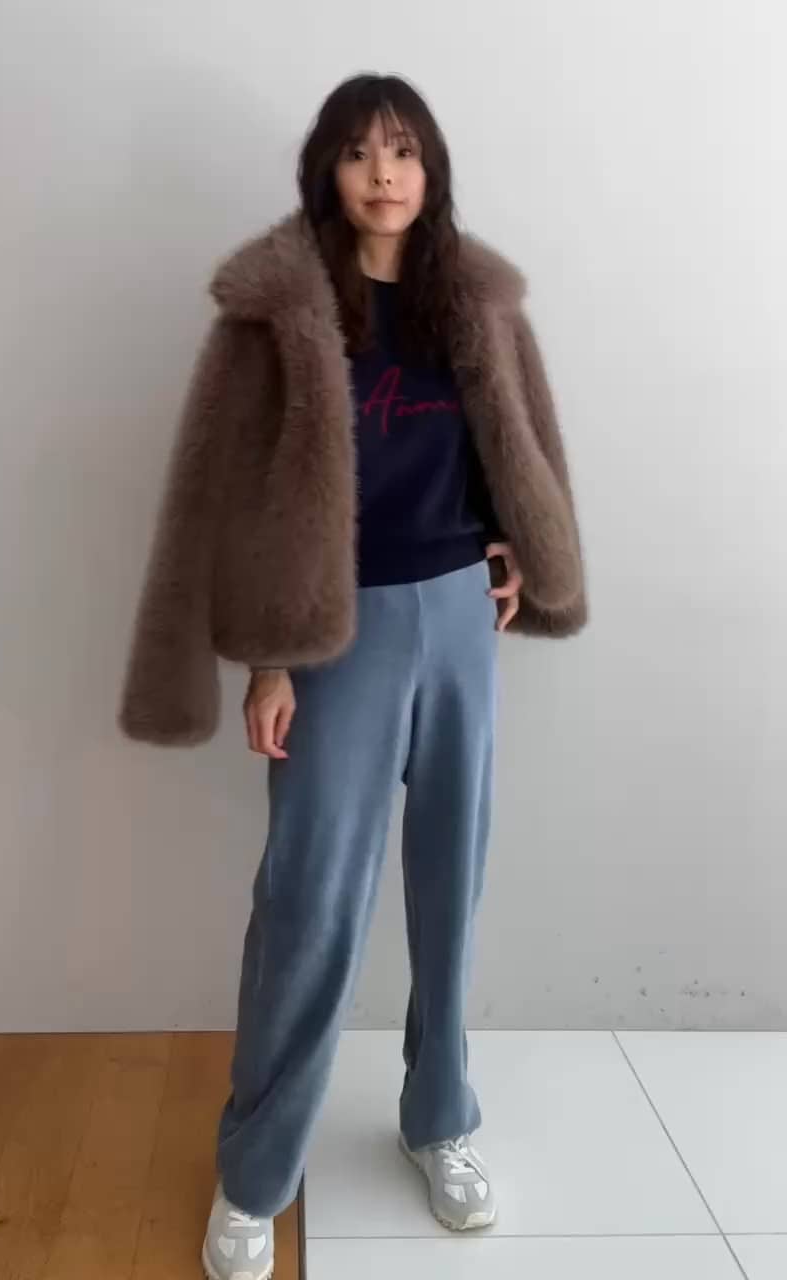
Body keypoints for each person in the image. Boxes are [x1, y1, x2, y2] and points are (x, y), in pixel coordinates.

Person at [117, 72, 587, 1280]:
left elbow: (517, 438)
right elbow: (230, 491)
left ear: (431, 172)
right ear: (327, 168)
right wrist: (268, 657)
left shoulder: (473, 299)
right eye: (361, 151)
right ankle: (255, 1170)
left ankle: (441, 1117)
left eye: (406, 150)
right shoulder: (280, 310)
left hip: (460, 615)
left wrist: (514, 544)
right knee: (310, 902)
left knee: (449, 882)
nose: (385, 173)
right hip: (335, 637)